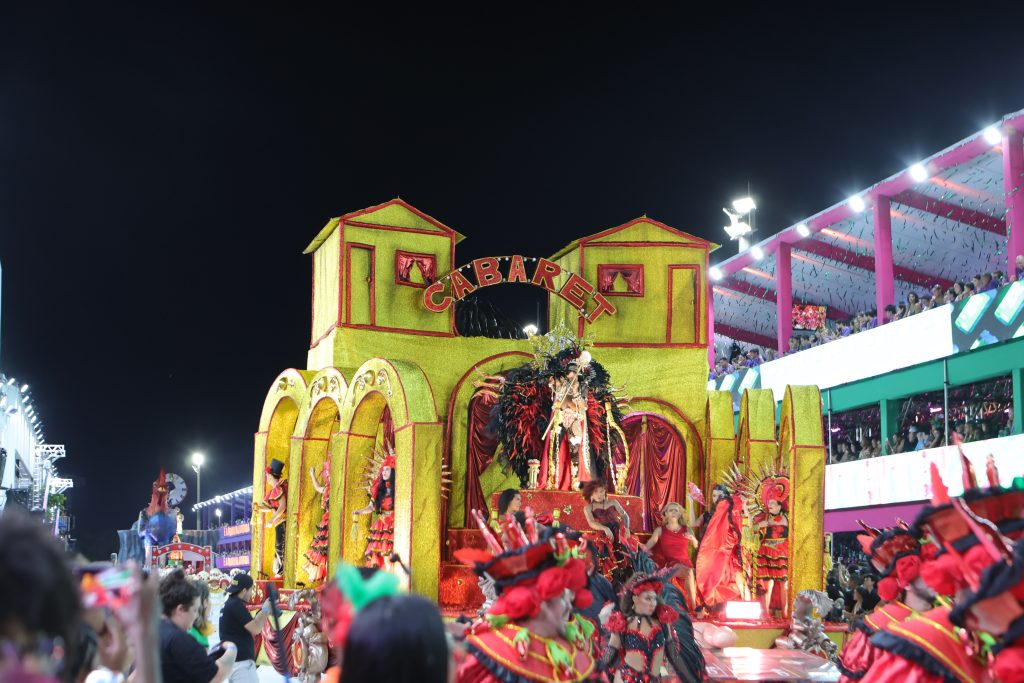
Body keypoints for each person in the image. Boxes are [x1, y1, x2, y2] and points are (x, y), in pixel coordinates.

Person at [455, 510, 597, 682]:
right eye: (561, 597)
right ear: (541, 602)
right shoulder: (489, 656)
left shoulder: (576, 652)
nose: (569, 605)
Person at [601, 570, 706, 683]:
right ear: (634, 598)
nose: (653, 603)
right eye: (647, 598)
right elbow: (609, 656)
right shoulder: (621, 623)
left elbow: (674, 657)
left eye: (654, 598)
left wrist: (690, 679)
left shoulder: (663, 623)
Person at [159, 569, 236, 683]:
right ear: (180, 609)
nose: (195, 616)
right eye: (194, 610)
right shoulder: (179, 639)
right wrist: (231, 649)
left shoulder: (156, 631)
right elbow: (215, 676)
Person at [694, 483, 746, 612]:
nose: (716, 498)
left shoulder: (730, 512)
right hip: (708, 551)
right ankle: (709, 605)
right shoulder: (708, 515)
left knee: (727, 579)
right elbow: (694, 523)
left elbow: (739, 528)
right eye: (714, 495)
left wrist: (744, 506)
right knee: (709, 576)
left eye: (720, 496)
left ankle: (733, 605)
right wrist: (690, 502)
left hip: (726, 552)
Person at [643, 501, 698, 609]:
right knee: (688, 571)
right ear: (666, 514)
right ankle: (695, 607)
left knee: (689, 571)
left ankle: (693, 606)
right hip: (671, 564)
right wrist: (638, 550)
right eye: (670, 510)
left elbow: (696, 545)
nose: (673, 512)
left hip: (686, 563)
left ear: (680, 514)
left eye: (676, 510)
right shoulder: (660, 530)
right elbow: (649, 544)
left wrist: (693, 539)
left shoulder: (687, 529)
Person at [582, 480, 637, 581]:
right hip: (604, 534)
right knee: (606, 554)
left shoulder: (613, 502)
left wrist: (627, 528)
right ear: (590, 493)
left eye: (601, 491)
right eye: (596, 492)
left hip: (618, 531)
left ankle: (627, 579)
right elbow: (591, 523)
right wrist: (605, 528)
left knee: (625, 554)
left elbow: (625, 515)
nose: (599, 494)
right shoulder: (588, 507)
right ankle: (613, 580)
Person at [218, 573, 268, 683]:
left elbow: (252, 623)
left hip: (234, 660)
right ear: (245, 590)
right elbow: (256, 628)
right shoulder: (236, 605)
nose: (251, 593)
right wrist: (266, 610)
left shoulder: (229, 603)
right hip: (241, 663)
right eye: (251, 590)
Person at [353, 448, 396, 569]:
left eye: (387, 470)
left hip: (394, 527)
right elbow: (371, 507)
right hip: (381, 526)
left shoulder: (398, 490)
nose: (384, 472)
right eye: (383, 470)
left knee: (389, 559)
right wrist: (359, 511)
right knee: (379, 558)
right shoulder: (379, 490)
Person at [253, 458, 287, 578]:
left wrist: (272, 519)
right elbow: (270, 507)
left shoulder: (278, 488)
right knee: (278, 546)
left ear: (272, 476)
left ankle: (281, 572)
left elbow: (282, 506)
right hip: (278, 523)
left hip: (282, 522)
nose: (267, 478)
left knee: (280, 546)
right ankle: (279, 571)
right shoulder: (274, 490)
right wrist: (258, 508)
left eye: (267, 475)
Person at [303, 458, 331, 584]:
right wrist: (312, 474)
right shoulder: (326, 489)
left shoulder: (335, 489)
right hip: (325, 522)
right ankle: (326, 577)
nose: (328, 477)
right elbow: (318, 487)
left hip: (332, 522)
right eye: (327, 475)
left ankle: (329, 577)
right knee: (321, 551)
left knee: (327, 550)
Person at [189, 579, 215, 648]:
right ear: (205, 602)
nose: (210, 603)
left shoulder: (198, 630)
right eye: (209, 599)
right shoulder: (192, 634)